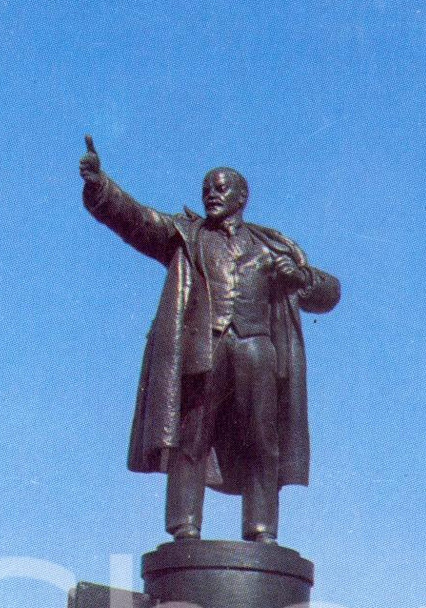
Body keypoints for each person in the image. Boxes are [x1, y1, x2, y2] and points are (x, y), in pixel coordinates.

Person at [79, 142, 341, 544]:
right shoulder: (186, 235)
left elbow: (329, 293)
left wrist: (300, 278)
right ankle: (184, 525)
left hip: (257, 348)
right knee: (192, 435)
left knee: (262, 440)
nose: (211, 195)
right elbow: (136, 219)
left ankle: (261, 529)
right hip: (205, 348)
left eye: (220, 188)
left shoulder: (272, 246)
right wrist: (100, 185)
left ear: (242, 196)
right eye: (206, 190)